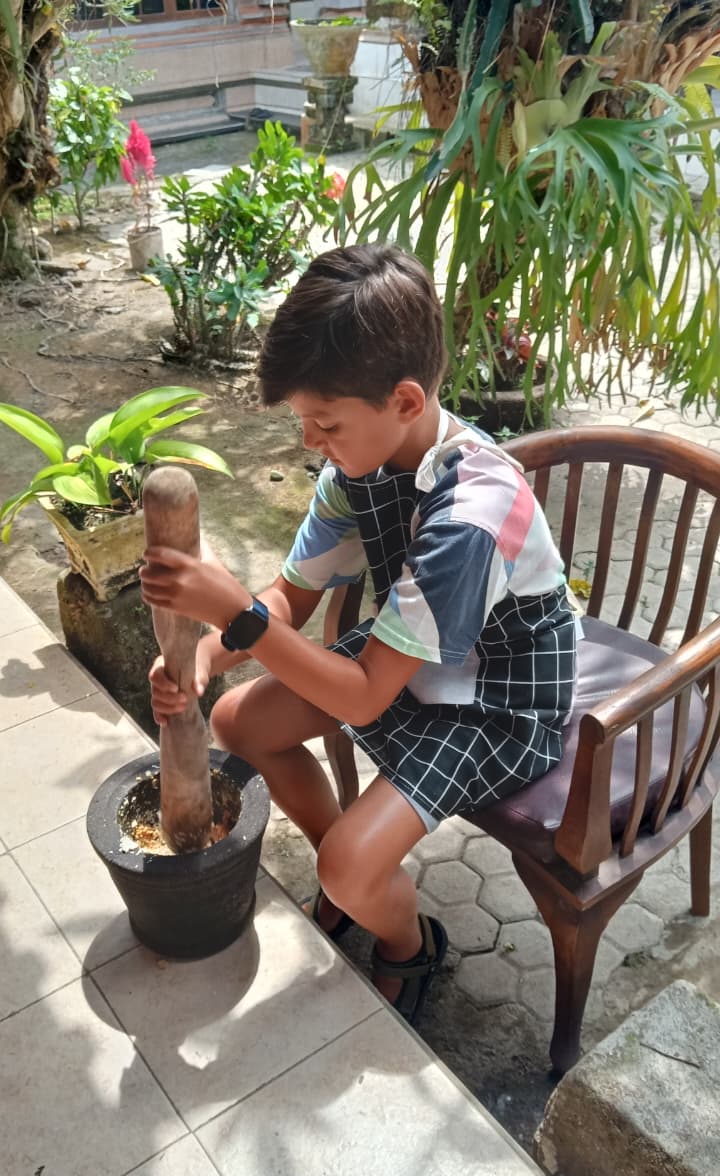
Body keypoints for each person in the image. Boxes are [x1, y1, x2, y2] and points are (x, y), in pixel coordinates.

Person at [140, 243, 577, 1023]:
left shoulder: (471, 517)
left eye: (324, 422)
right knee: (240, 722)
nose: (312, 441)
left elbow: (368, 699)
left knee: (348, 867)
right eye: (307, 421)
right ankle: (356, 866)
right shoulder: (357, 467)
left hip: (500, 702)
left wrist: (232, 614)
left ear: (405, 401)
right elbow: (291, 597)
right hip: (409, 659)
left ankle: (410, 943)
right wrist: (203, 659)